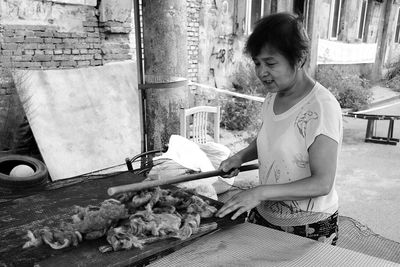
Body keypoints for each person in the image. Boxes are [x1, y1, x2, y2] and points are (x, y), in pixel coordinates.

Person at [215, 12, 343, 245]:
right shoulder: (272, 97)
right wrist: (239, 157)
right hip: (267, 213)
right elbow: (268, 140)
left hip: (309, 225)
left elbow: (322, 183)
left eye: (271, 63)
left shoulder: (321, 108)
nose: (262, 72)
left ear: (300, 58)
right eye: (257, 63)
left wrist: (258, 192)